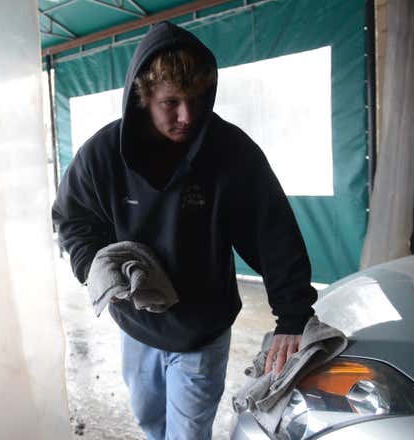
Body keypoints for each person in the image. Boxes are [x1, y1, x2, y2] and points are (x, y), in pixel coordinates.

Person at [52, 21, 317, 440]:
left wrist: (293, 315)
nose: (187, 116)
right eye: (170, 102)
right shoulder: (102, 154)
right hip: (135, 322)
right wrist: (95, 267)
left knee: (188, 435)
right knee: (148, 420)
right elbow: (74, 218)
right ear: (143, 97)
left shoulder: (230, 152)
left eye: (195, 100)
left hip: (201, 328)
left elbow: (272, 231)